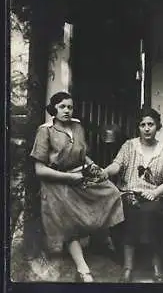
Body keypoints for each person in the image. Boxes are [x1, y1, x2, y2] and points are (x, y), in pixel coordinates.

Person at [30, 91, 124, 282]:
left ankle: (102, 240)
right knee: (68, 218)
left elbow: (82, 155)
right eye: (62, 106)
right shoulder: (45, 130)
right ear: (53, 108)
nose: (67, 110)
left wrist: (93, 166)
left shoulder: (78, 126)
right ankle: (83, 269)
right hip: (55, 182)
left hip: (79, 175)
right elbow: (39, 170)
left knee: (112, 192)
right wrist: (67, 177)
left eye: (70, 107)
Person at [103, 107, 163, 283]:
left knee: (152, 212)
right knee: (132, 210)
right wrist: (105, 172)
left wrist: (155, 192)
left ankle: (157, 266)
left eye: (150, 124)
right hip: (130, 192)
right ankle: (128, 267)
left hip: (154, 195)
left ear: (157, 126)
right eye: (142, 124)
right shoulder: (129, 146)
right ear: (138, 127)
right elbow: (117, 165)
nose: (146, 128)